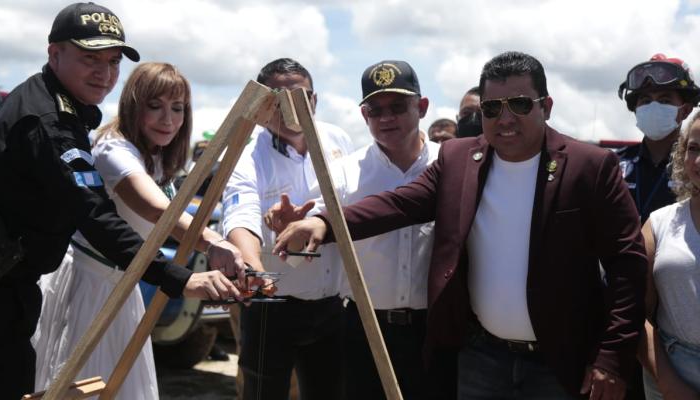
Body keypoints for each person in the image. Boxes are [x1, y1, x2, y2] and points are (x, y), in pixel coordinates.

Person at [275, 51, 646, 400]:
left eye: (519, 104)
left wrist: (612, 357)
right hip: (481, 359)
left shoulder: (590, 167)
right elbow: (400, 203)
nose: (505, 119)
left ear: (545, 107)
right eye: (492, 108)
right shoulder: (460, 159)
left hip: (560, 363)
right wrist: (325, 222)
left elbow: (627, 266)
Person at [0, 3, 242, 399]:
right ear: (54, 54)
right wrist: (180, 278)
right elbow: (94, 213)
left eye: (113, 61)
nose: (104, 73)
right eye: (90, 58)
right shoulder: (49, 121)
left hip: (2, 283)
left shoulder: (60, 106)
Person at [33, 62, 245, 399]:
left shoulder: (158, 155)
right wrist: (212, 241)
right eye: (155, 106)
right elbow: (157, 209)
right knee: (79, 387)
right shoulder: (113, 148)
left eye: (177, 108)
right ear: (133, 106)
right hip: (87, 284)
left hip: (123, 286)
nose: (168, 119)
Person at [265, 60, 451, 399]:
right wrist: (291, 230)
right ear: (364, 115)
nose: (386, 118)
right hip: (364, 331)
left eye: (398, 107)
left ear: (422, 107)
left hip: (436, 333)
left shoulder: (451, 166)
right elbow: (303, 247)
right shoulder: (342, 173)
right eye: (375, 110)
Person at [222, 57, 353, 399]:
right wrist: (255, 271)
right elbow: (240, 215)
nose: (292, 109)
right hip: (272, 303)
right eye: (279, 100)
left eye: (301, 97)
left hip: (332, 303)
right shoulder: (246, 155)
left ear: (315, 100)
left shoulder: (337, 139)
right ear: (263, 107)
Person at [639, 113, 700, 400]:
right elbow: (636, 313)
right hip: (670, 371)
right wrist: (669, 384)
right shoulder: (658, 223)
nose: (699, 161)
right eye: (694, 148)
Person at [617, 54, 698, 222]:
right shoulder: (613, 164)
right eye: (646, 100)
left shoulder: (694, 165)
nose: (653, 106)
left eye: (664, 100)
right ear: (636, 109)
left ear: (686, 110)